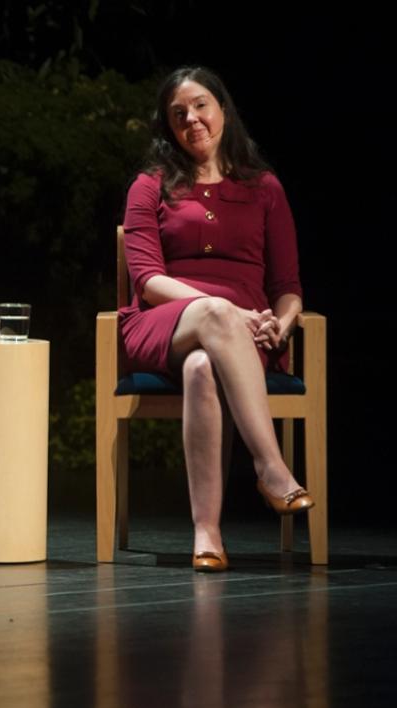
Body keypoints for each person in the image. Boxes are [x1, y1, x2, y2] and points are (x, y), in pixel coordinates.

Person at [119, 66, 313, 572]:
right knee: (213, 317)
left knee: (203, 368)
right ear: (169, 126)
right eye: (178, 113)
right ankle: (271, 468)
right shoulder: (150, 185)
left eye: (201, 105)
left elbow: (288, 286)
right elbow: (146, 280)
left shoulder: (265, 188)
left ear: (223, 109)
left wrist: (284, 323)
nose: (192, 119)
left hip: (251, 333)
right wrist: (221, 309)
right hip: (164, 324)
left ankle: (206, 532)